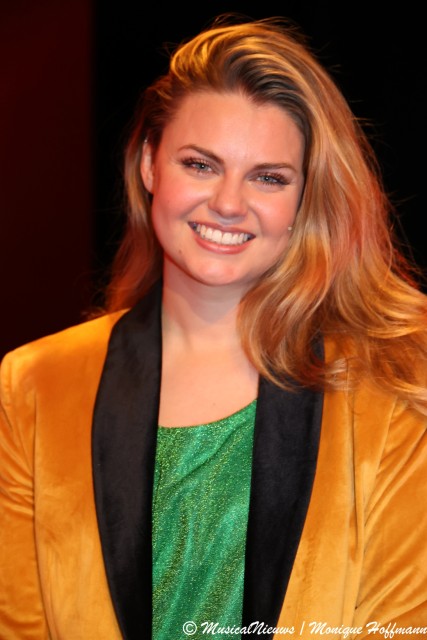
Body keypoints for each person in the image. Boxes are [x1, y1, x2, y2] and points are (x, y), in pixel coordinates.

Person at [1, 14, 426, 640]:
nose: (229, 203)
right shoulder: (34, 385)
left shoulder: (394, 386)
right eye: (200, 165)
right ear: (150, 165)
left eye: (268, 177)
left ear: (304, 198)